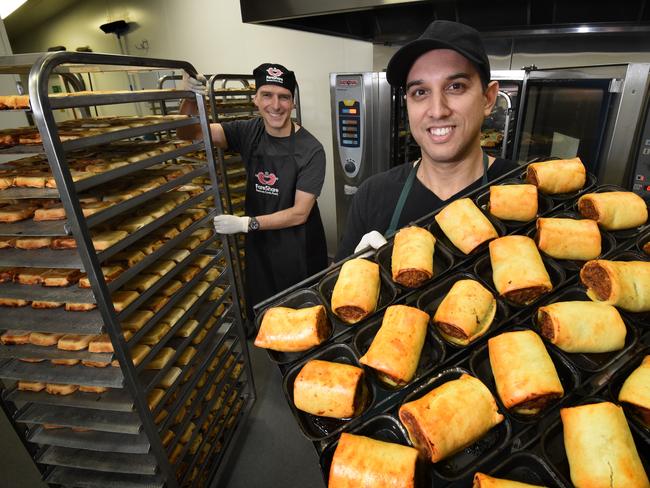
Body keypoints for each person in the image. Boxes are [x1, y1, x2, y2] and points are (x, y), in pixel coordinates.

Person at [335, 20, 519, 260]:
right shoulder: (372, 195)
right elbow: (333, 291)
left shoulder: (522, 188)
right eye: (420, 92)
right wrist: (349, 273)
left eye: (455, 86)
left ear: (488, 98)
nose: (437, 110)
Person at [178, 63, 328, 320]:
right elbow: (189, 133)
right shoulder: (248, 132)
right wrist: (190, 99)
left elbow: (299, 214)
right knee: (266, 315)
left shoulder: (311, 149)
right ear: (255, 99)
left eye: (284, 97)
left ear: (292, 103)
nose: (276, 105)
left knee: (301, 317)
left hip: (298, 246)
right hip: (261, 245)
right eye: (267, 95)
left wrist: (247, 223)